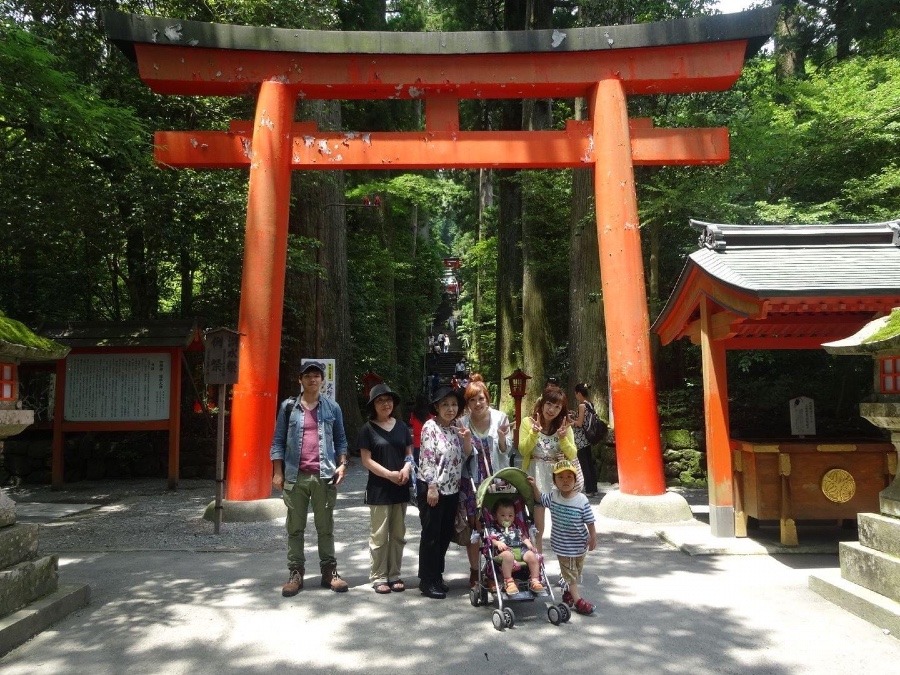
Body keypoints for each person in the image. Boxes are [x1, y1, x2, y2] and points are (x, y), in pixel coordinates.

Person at [271, 360, 349, 596]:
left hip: (324, 476)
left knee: (325, 528)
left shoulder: (332, 408)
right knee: (295, 528)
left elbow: (341, 440)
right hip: (296, 476)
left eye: (317, 376)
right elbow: (277, 441)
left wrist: (343, 464)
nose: (312, 379)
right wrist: (277, 471)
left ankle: (329, 571)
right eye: (308, 376)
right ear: (300, 380)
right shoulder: (288, 407)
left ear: (322, 380)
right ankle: (295, 573)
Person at [416, 384, 473, 599]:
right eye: (445, 405)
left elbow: (467, 455)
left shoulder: (456, 427)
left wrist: (466, 438)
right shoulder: (430, 427)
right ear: (437, 407)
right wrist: (431, 487)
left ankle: (437, 575)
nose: (450, 408)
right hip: (434, 489)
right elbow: (428, 458)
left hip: (452, 490)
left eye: (453, 404)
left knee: (444, 535)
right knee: (431, 535)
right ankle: (426, 580)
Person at [457, 374, 513, 587]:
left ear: (487, 398)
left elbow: (506, 451)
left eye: (480, 398)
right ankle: (474, 570)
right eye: (472, 400)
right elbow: (465, 456)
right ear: (467, 403)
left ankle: (495, 569)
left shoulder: (500, 418)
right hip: (472, 481)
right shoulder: (462, 422)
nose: (477, 403)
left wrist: (500, 437)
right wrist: (466, 441)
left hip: (497, 479)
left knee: (497, 525)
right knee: (476, 529)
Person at [358, 383, 414, 594]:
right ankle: (379, 576)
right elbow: (366, 461)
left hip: (400, 486)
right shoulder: (367, 429)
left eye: (388, 399)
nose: (385, 404)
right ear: (373, 405)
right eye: (380, 400)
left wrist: (407, 468)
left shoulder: (400, 426)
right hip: (379, 489)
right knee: (379, 535)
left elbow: (409, 453)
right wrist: (389, 474)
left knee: (398, 533)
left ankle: (394, 574)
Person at [529, 460, 597, 615]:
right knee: (570, 575)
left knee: (576, 572)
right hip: (562, 546)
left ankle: (568, 594)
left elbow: (590, 521)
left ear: (575, 480)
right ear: (554, 481)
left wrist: (593, 536)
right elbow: (540, 499)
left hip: (580, 545)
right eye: (560, 478)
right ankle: (578, 601)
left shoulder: (581, 500)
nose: (565, 481)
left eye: (569, 477)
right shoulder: (553, 497)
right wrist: (534, 486)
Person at [518, 383, 579, 553]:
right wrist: (534, 433)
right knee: (537, 526)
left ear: (562, 410)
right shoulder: (527, 423)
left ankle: (567, 566)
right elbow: (523, 450)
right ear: (542, 403)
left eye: (557, 407)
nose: (551, 409)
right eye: (549, 404)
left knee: (563, 526)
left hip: (557, 479)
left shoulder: (564, 428)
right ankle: (537, 564)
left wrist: (563, 438)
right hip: (534, 476)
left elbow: (572, 454)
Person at [486, 498, 545, 594]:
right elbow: (491, 540)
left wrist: (529, 544)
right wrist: (498, 543)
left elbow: (523, 537)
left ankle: (535, 580)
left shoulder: (516, 527)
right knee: (508, 556)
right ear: (495, 516)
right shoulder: (494, 528)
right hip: (503, 552)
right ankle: (509, 581)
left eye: (510, 515)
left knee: (531, 555)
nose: (507, 518)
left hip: (520, 549)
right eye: (502, 515)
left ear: (514, 516)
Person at [571, 382, 599, 497]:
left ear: (578, 393)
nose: (576, 396)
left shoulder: (582, 406)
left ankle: (588, 490)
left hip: (581, 439)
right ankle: (594, 488)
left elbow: (579, 423)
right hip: (588, 437)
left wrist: (570, 421)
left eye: (576, 394)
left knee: (584, 464)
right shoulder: (590, 404)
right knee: (589, 463)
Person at [408, 394, 432, 466]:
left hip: (417, 441)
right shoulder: (429, 413)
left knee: (417, 461)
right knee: (427, 461)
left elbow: (411, 423)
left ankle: (416, 476)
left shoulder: (414, 413)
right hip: (428, 440)